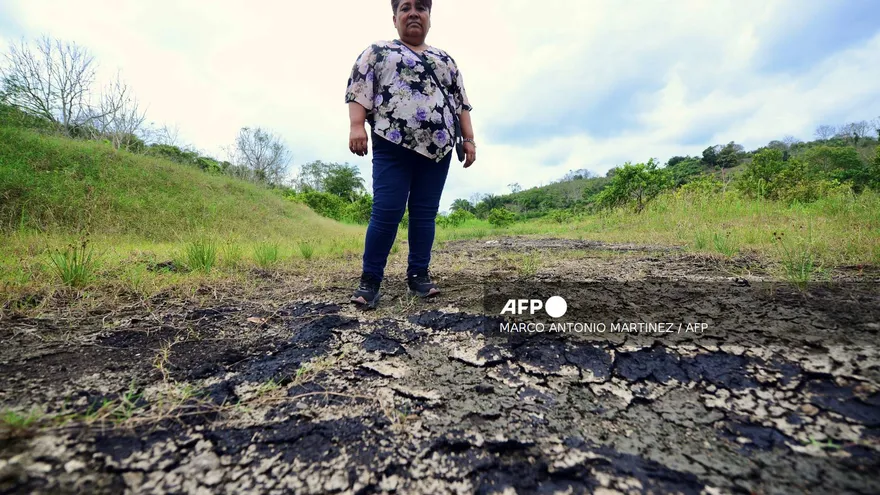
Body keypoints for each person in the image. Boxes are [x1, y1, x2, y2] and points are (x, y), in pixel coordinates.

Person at [345, 0, 476, 309]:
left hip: (439, 148)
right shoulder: (377, 52)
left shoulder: (445, 59)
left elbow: (461, 103)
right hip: (392, 143)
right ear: (395, 18)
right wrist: (355, 126)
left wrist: (469, 140)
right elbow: (358, 89)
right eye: (405, 7)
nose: (414, 13)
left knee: (424, 213)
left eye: (421, 7)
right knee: (387, 210)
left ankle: (418, 275)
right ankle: (370, 280)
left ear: (429, 17)